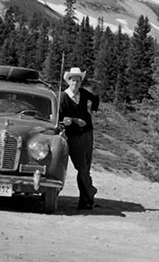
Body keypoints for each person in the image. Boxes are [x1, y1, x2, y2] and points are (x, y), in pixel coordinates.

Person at [59, 66, 100, 209]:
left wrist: (92, 112)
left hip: (87, 133)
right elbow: (60, 118)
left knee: (85, 167)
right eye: (73, 81)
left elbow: (95, 99)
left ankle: (86, 200)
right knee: (81, 167)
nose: (75, 84)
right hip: (73, 135)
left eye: (78, 81)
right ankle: (90, 193)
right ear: (68, 82)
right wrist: (75, 120)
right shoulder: (63, 97)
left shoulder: (83, 93)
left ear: (80, 82)